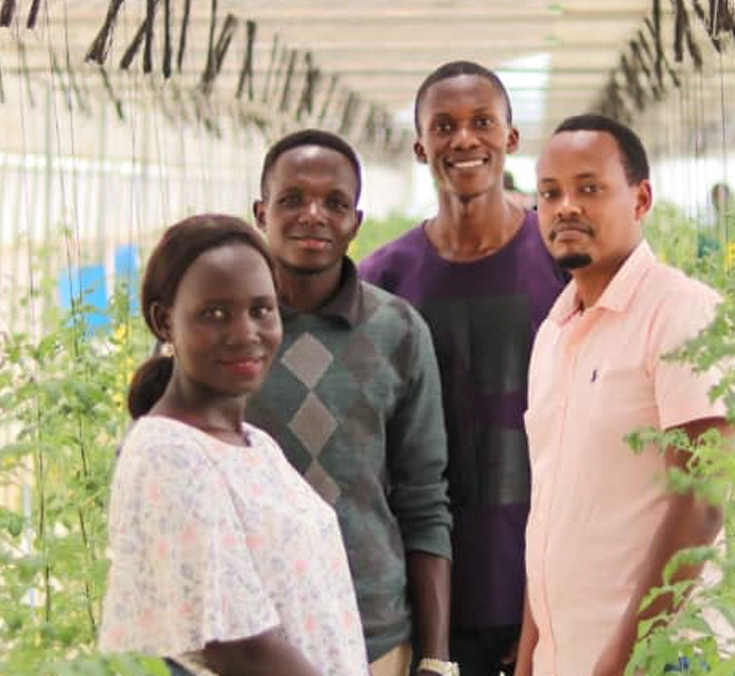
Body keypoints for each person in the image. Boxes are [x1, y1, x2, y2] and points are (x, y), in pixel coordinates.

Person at [359, 61, 568, 676]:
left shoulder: (559, 262)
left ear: (511, 137)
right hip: (427, 586)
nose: (464, 140)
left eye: (482, 122)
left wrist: (548, 607)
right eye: (444, 126)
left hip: (542, 578)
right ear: (421, 145)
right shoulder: (385, 279)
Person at [99, 215, 369, 676]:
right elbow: (238, 647)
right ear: (165, 321)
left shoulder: (254, 446)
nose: (246, 333)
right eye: (215, 313)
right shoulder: (168, 454)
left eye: (261, 309)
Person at [515, 114, 735, 676]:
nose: (566, 206)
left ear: (640, 199)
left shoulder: (683, 313)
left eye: (589, 188)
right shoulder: (554, 332)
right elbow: (549, 513)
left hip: (662, 660)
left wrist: (623, 661)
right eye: (550, 192)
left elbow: (703, 501)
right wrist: (529, 661)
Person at [247, 129, 454, 676]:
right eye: (292, 200)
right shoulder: (217, 332)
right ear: (260, 213)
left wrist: (434, 658)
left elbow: (424, 500)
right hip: (243, 635)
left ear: (356, 222)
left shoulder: (399, 330)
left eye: (334, 203)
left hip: (374, 637)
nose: (313, 215)